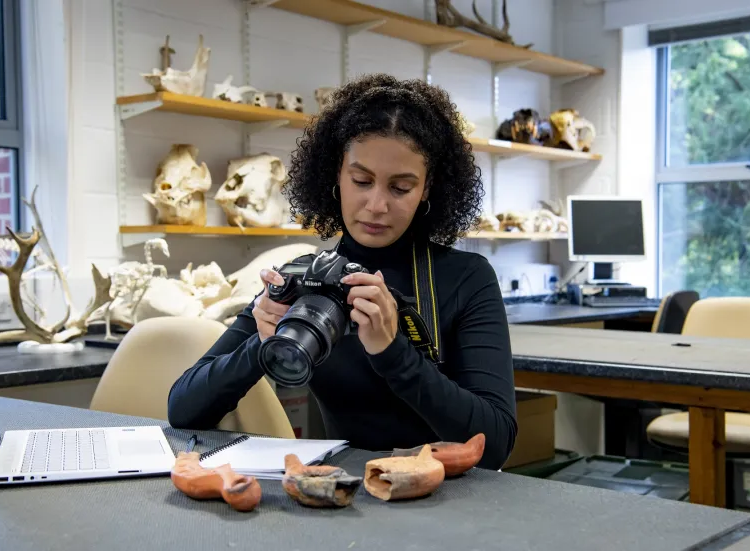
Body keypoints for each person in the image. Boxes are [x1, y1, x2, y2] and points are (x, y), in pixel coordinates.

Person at [167, 73, 518, 470]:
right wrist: (261, 345)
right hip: (342, 498)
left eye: (400, 188)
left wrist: (394, 353)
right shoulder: (303, 280)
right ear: (337, 174)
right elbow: (183, 409)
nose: (376, 204)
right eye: (361, 180)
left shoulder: (467, 279)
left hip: (448, 499)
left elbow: (495, 445)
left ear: (427, 188)